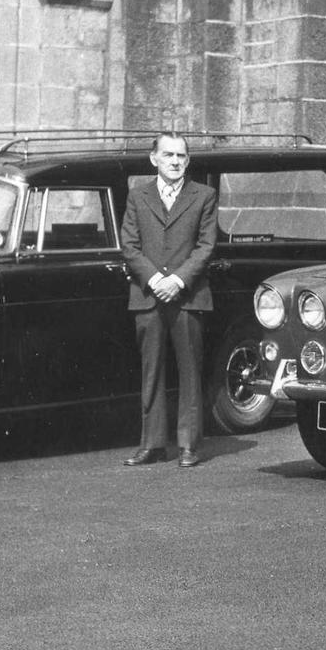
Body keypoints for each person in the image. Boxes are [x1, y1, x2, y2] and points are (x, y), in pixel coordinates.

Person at [119, 132, 219, 468]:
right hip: (148, 295)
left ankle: (189, 444)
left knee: (190, 370)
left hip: (187, 296)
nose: (175, 161)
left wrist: (176, 280)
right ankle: (153, 444)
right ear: (154, 159)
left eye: (181, 156)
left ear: (188, 161)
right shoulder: (138, 196)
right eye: (168, 155)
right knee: (152, 371)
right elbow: (129, 246)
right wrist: (156, 279)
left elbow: (206, 246)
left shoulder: (204, 195)